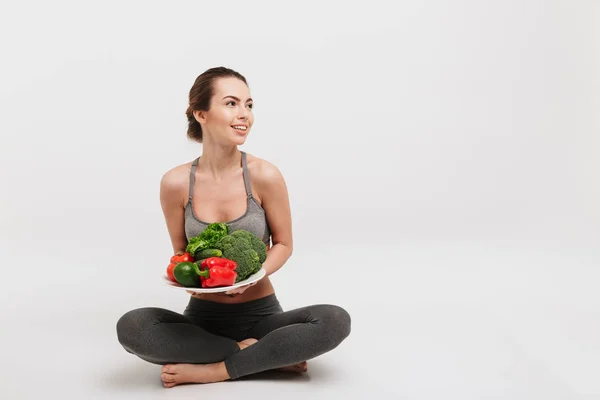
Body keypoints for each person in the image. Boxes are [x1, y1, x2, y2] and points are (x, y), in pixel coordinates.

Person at [115, 67, 351, 388]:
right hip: (202, 323)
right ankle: (260, 358)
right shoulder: (175, 183)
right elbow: (182, 255)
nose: (245, 115)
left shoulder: (264, 175)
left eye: (249, 105)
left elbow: (283, 244)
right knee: (132, 326)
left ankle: (216, 369)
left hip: (263, 317)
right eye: (231, 103)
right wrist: (187, 277)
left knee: (334, 320)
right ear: (201, 113)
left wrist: (256, 275)